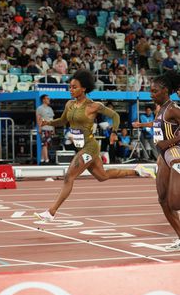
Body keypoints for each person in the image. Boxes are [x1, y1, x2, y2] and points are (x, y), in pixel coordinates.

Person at [34, 69, 155, 222]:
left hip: (90, 147)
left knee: (68, 176)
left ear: (83, 88)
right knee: (102, 176)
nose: (71, 90)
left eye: (74, 87)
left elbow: (115, 116)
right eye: (70, 87)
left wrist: (113, 133)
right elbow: (63, 121)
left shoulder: (93, 106)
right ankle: (137, 171)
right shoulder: (69, 104)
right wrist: (48, 123)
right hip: (80, 146)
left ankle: (51, 212)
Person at [147, 71, 180, 251]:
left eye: (154, 91)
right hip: (163, 156)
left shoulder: (174, 108)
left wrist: (171, 141)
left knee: (175, 202)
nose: (151, 95)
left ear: (165, 90)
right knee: (163, 200)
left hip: (175, 154)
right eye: (150, 91)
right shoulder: (160, 109)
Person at [36, 94, 54, 164]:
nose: (49, 100)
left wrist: (53, 128)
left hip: (49, 128)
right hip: (44, 128)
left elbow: (52, 119)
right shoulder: (40, 108)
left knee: (46, 144)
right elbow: (38, 119)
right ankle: (47, 160)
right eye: (47, 99)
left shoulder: (50, 109)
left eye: (49, 99)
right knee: (44, 144)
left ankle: (42, 159)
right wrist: (40, 128)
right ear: (43, 100)